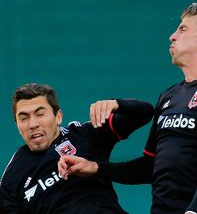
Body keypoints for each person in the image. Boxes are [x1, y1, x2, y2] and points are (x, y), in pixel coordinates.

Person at [58, 1, 197, 214]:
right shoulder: (170, 95)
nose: (172, 36)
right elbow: (150, 166)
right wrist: (95, 167)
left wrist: (195, 210)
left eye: (183, 29)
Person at [0, 83, 154, 214]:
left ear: (58, 116)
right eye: (24, 118)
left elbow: (145, 112)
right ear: (17, 125)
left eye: (40, 114)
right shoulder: (11, 179)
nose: (33, 124)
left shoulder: (84, 135)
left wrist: (117, 104)